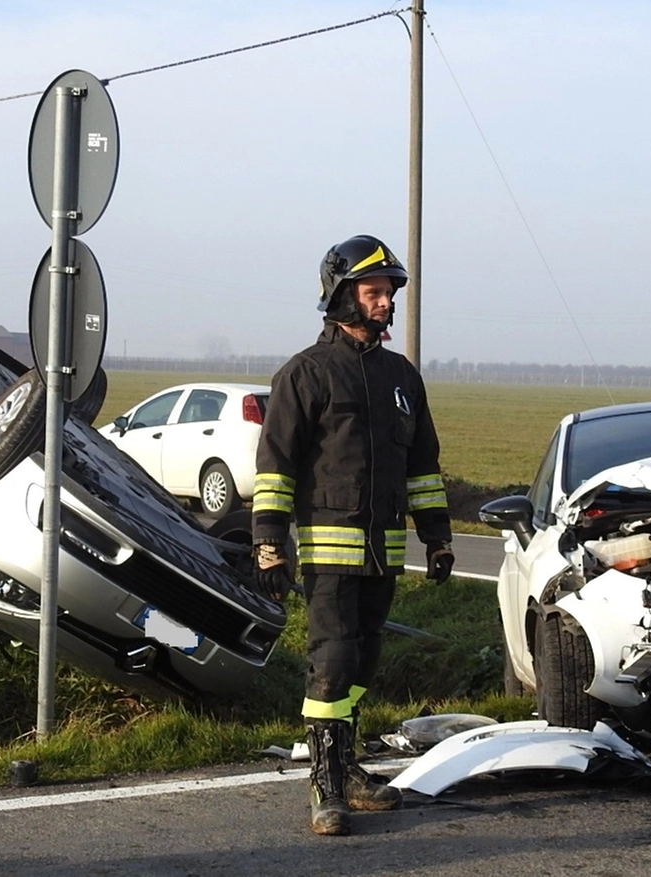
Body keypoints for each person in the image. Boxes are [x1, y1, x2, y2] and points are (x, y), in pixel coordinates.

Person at [251, 234, 455, 836]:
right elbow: (276, 466)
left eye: (389, 292)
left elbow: (423, 466)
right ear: (341, 297)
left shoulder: (401, 377)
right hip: (328, 552)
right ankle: (326, 787)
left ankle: (348, 766)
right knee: (334, 662)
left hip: (384, 553)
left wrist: (438, 537)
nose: (386, 303)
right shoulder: (306, 374)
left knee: (363, 660)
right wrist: (268, 540)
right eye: (373, 292)